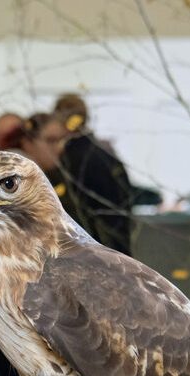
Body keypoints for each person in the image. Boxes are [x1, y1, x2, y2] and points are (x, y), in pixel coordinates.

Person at [52, 93, 135, 255]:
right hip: (118, 243)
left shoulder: (71, 159)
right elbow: (127, 196)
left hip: (91, 248)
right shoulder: (105, 152)